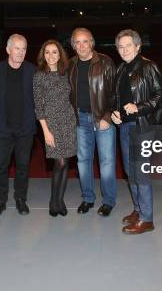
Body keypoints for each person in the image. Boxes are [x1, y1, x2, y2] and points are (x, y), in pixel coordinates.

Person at [111, 29, 162, 234]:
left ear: (137, 46)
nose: (124, 50)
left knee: (140, 172)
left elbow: (161, 96)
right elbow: (116, 98)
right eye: (120, 46)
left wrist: (139, 107)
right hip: (125, 125)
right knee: (129, 171)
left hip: (143, 126)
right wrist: (114, 113)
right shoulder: (120, 69)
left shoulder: (149, 67)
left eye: (128, 45)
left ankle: (147, 218)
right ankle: (138, 209)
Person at [0, 34, 37, 216]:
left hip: (26, 129)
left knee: (23, 166)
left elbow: (39, 99)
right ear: (8, 50)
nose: (21, 52)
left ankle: (21, 199)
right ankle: (0, 200)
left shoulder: (33, 71)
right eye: (17, 48)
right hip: (3, 129)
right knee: (1, 166)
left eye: (24, 49)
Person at [68, 27, 117, 216]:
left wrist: (106, 117)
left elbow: (114, 94)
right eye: (77, 42)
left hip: (102, 120)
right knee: (83, 161)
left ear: (92, 43)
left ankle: (108, 201)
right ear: (73, 45)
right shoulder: (70, 64)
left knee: (106, 162)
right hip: (80, 119)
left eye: (85, 41)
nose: (81, 46)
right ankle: (88, 198)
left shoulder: (105, 62)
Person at [33, 40, 77, 217]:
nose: (51, 56)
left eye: (55, 52)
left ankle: (60, 200)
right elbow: (38, 105)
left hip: (68, 121)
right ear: (43, 55)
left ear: (60, 55)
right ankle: (53, 200)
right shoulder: (39, 76)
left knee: (65, 162)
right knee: (58, 162)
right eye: (47, 52)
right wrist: (45, 131)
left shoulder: (66, 73)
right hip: (50, 124)